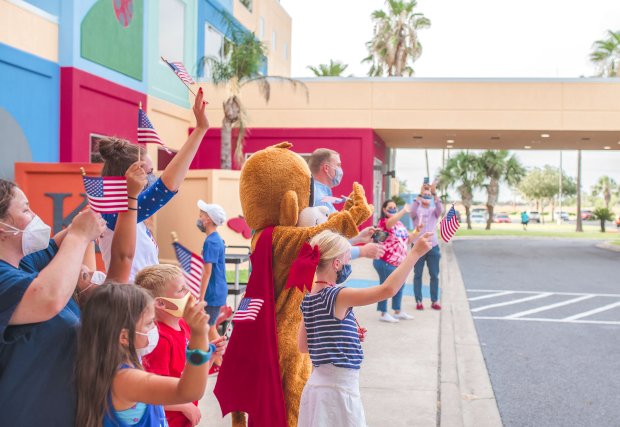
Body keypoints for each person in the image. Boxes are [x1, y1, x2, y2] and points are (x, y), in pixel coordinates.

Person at [297, 230, 433, 426]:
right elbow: (388, 290)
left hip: (317, 388)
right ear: (336, 263)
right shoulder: (337, 295)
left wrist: (344, 335)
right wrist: (415, 254)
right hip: (338, 392)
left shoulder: (309, 298)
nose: (348, 264)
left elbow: (304, 346)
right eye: (347, 259)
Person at [0, 179, 106, 425]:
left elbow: (58, 245)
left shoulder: (22, 262)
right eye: (25, 210)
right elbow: (49, 298)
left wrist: (91, 219)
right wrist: (79, 235)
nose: (34, 214)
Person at [98, 88, 210, 280]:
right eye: (148, 172)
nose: (152, 178)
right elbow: (166, 187)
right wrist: (199, 130)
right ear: (128, 176)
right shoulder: (115, 213)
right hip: (130, 304)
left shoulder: (132, 215)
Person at [75, 284, 213, 427]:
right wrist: (199, 335)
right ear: (124, 337)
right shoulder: (125, 380)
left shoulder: (108, 366)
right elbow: (188, 392)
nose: (155, 327)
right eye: (149, 323)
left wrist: (207, 356)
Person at [136, 264, 226, 427]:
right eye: (181, 290)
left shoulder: (185, 325)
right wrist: (184, 405)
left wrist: (209, 356)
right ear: (161, 304)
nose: (189, 294)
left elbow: (193, 376)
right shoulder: (159, 341)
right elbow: (149, 394)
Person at [307, 148, 384, 260]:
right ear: (326, 168)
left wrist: (359, 238)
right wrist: (362, 251)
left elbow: (333, 237)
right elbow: (323, 246)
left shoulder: (320, 193)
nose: (341, 170)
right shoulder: (317, 197)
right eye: (338, 165)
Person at [373, 200, 422, 323]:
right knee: (386, 287)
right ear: (384, 210)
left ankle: (397, 311)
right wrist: (404, 211)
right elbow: (389, 223)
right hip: (385, 261)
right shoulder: (383, 222)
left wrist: (417, 230)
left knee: (399, 286)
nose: (393, 209)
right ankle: (383, 313)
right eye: (390, 207)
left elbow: (408, 239)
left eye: (395, 207)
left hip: (399, 262)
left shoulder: (399, 224)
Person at [196, 200, 228, 375]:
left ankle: (221, 361)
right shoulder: (213, 239)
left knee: (209, 326)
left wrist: (201, 297)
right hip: (216, 290)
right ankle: (218, 361)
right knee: (210, 325)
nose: (199, 218)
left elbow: (207, 272)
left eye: (202, 215)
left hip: (213, 292)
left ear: (208, 220)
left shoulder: (212, 242)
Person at [410, 181, 444, 310]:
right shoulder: (416, 209)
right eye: (425, 195)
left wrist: (434, 193)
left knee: (434, 275)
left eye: (428, 195)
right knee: (417, 274)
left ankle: (434, 300)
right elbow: (412, 210)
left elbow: (440, 209)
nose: (426, 197)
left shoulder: (433, 211)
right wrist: (420, 194)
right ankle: (419, 301)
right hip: (418, 246)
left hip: (432, 246)